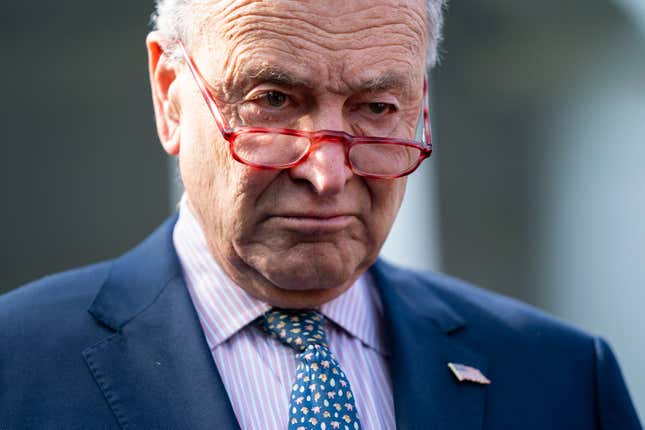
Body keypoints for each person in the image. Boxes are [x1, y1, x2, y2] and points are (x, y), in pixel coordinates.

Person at [0, 0, 641, 428]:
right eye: (273, 99)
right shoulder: (17, 369)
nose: (327, 172)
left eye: (378, 108)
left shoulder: (563, 383)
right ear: (170, 97)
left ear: (422, 106)